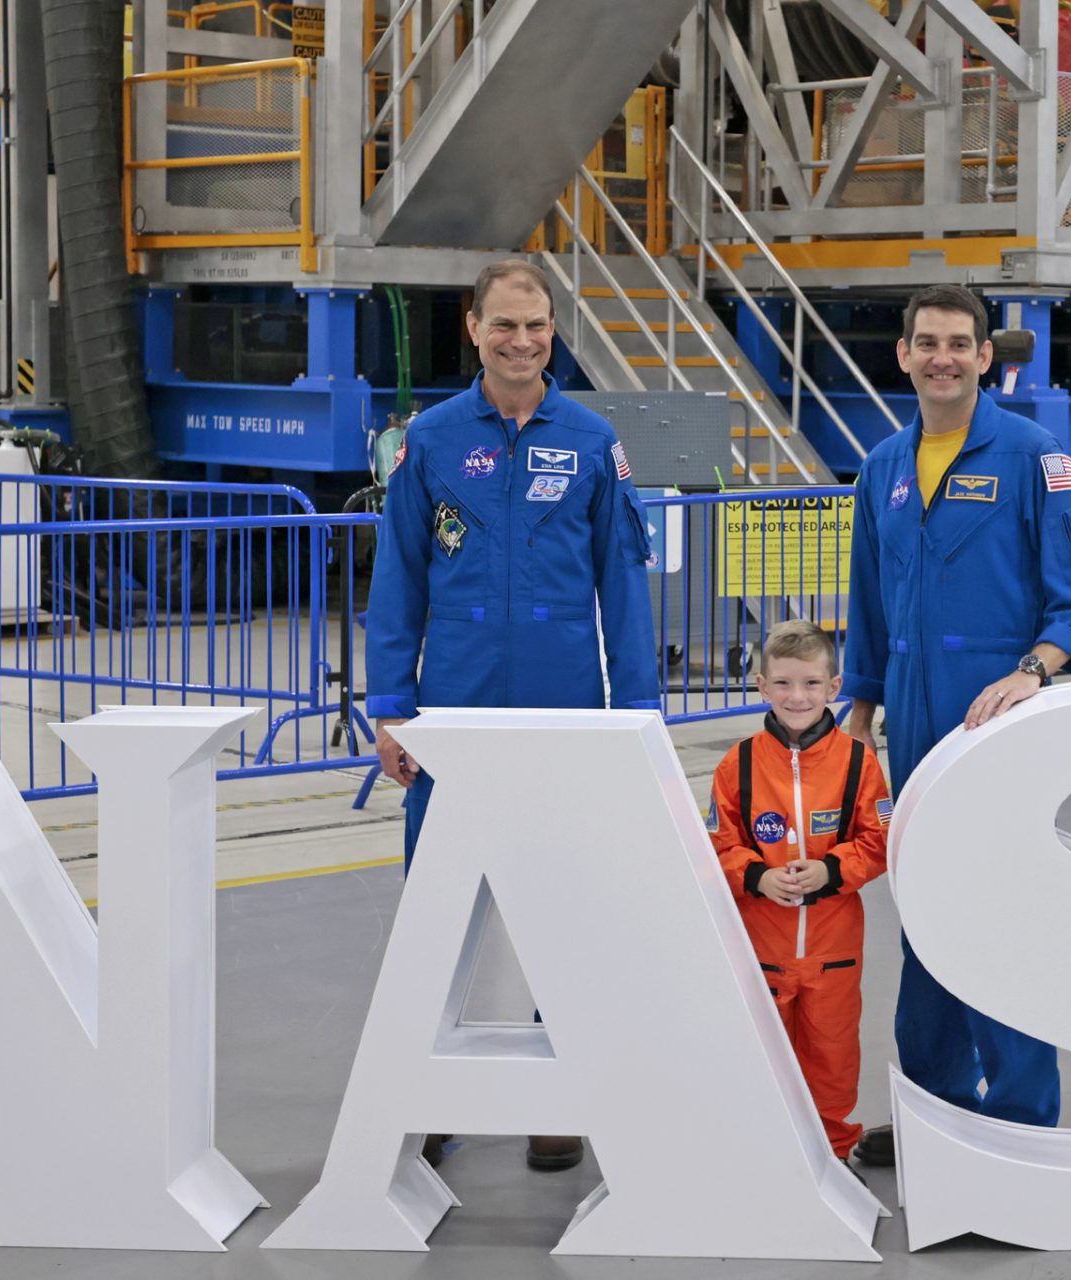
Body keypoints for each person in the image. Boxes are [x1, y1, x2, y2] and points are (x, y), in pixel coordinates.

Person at [366, 259, 661, 1171]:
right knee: (440, 902)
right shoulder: (433, 441)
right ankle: (431, 1093)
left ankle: (559, 1100)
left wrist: (638, 711)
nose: (523, 342)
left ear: (553, 330)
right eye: (505, 326)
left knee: (562, 904)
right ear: (474, 328)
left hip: (564, 707)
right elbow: (399, 577)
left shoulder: (593, 439)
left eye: (536, 326)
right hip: (453, 708)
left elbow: (624, 584)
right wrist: (389, 708)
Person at [842, 284, 1071, 1165]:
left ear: (985, 358)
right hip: (913, 723)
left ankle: (1025, 1113)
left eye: (959, 344)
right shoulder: (883, 466)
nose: (942, 359)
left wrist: (1033, 670)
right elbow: (870, 602)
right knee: (924, 913)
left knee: (1000, 917)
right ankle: (933, 1102)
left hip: (994, 718)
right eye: (926, 343)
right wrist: (858, 707)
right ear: (904, 355)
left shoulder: (1032, 455)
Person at [708, 621, 890, 1162]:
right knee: (760, 1056)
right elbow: (716, 844)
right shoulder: (736, 764)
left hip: (833, 952)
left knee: (832, 1058)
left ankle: (832, 1157)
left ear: (835, 689)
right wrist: (757, 876)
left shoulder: (858, 763)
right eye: (784, 684)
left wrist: (832, 871)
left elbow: (880, 839)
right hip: (761, 949)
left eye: (812, 684)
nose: (797, 697)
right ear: (761, 686)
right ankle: (769, 1155)